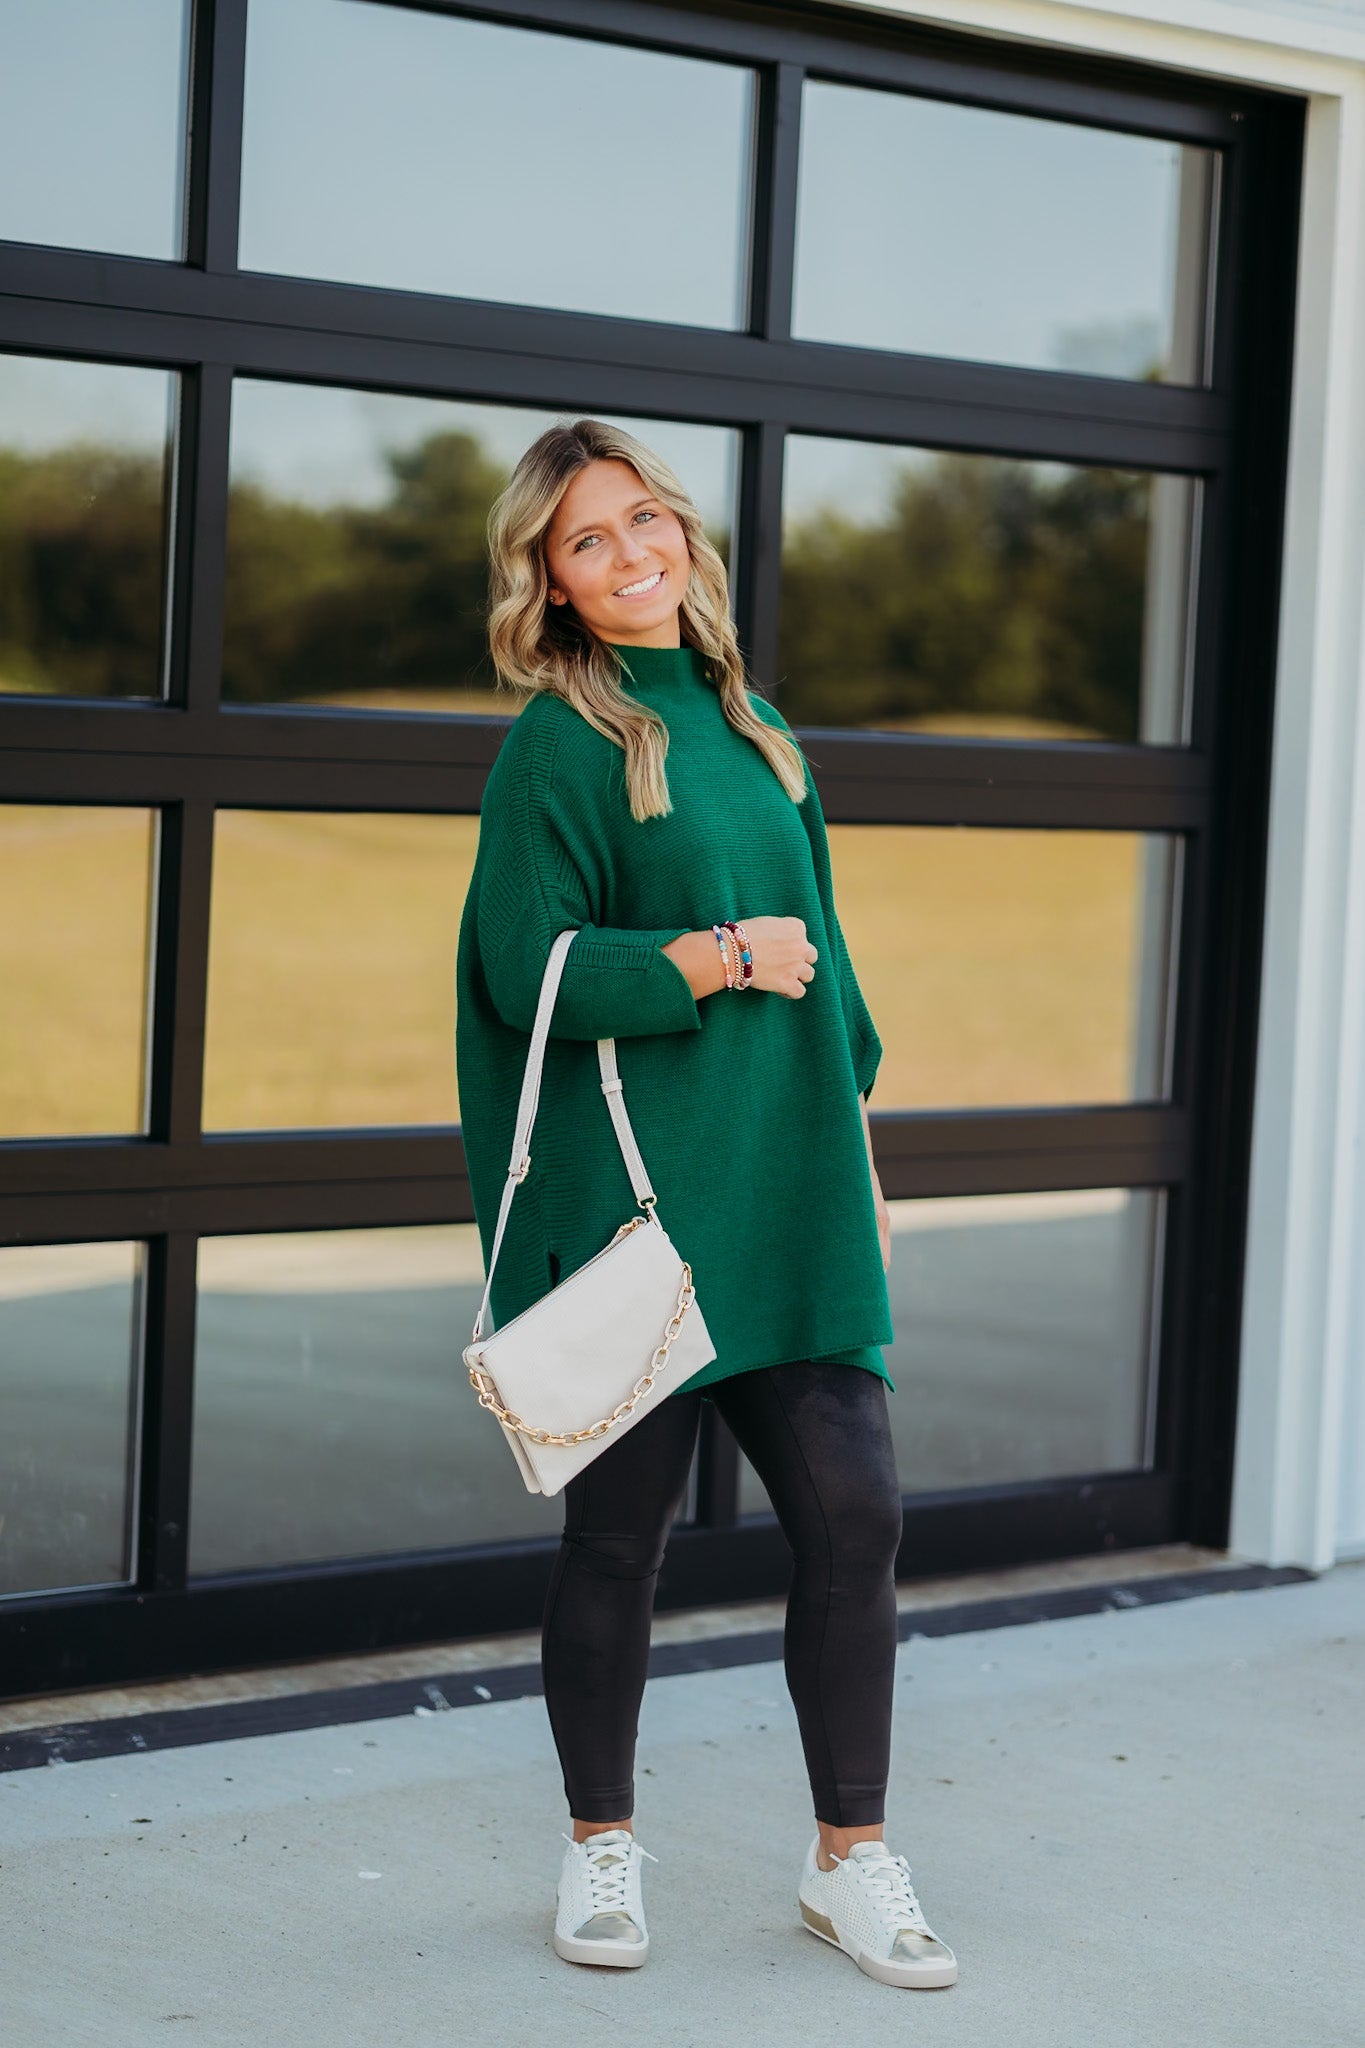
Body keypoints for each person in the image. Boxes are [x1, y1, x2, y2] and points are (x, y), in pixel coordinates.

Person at [454, 418, 957, 1991]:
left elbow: (834, 961)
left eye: (642, 520)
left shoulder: (753, 724)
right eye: (585, 541)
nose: (628, 555)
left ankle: (849, 1864)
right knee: (616, 1548)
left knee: (856, 1522)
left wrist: (839, 1097)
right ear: (546, 582)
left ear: (681, 531)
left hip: (784, 1189)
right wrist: (712, 957)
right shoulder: (556, 743)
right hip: (639, 1215)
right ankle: (600, 1847)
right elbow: (520, 969)